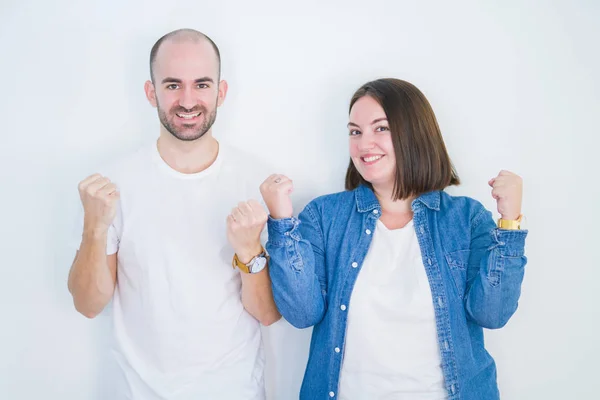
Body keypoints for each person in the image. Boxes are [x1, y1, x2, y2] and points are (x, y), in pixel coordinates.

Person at [259, 78, 528, 400]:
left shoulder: (466, 218)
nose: (363, 143)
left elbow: (492, 314)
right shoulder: (324, 216)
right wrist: (281, 222)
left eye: (380, 128)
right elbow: (302, 314)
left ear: (414, 133)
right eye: (355, 131)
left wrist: (510, 222)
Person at [67, 28, 280, 400]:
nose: (187, 100)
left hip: (234, 391)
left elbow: (266, 313)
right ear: (151, 93)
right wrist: (94, 228)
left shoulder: (256, 183)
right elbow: (88, 305)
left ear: (221, 92)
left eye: (201, 84)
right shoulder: (114, 184)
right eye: (172, 85)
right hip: (138, 391)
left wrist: (249, 253)